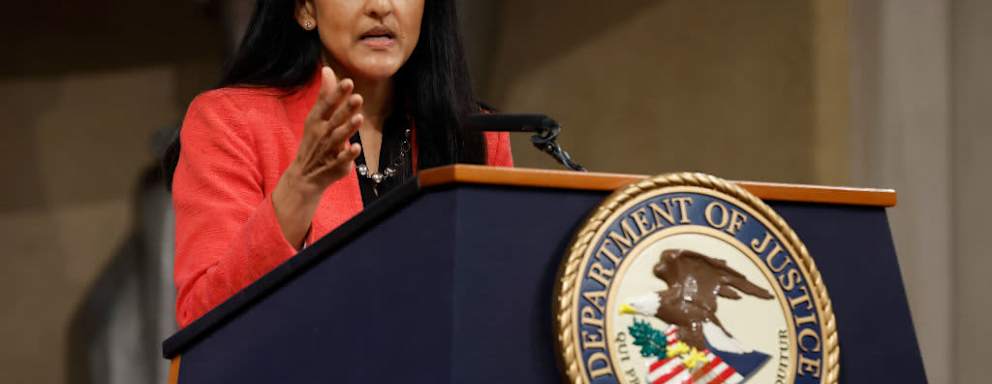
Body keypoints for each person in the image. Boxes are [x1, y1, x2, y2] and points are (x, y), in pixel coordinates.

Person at [164, 0, 513, 327]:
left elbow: (502, 306)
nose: (381, 6)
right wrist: (298, 191)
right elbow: (201, 320)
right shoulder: (229, 121)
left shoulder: (476, 135)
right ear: (305, 8)